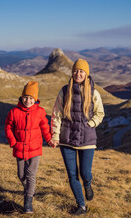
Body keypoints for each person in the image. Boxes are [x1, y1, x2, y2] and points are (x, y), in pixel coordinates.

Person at [51, 59, 105, 215]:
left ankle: (87, 184)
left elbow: (100, 113)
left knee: (85, 173)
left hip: (87, 140)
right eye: (76, 71)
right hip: (66, 139)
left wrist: (91, 124)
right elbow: (56, 114)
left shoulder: (94, 93)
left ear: (86, 74)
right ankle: (81, 206)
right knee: (72, 175)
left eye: (81, 71)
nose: (78, 74)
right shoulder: (64, 91)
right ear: (72, 73)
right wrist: (55, 136)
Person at [5, 81, 56, 214]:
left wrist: (49, 140)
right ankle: (29, 189)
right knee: (21, 175)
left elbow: (45, 128)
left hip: (35, 149)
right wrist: (13, 142)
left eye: (31, 98)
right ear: (21, 97)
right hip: (19, 148)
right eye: (26, 97)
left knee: (31, 175)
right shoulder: (14, 112)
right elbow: (8, 127)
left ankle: (28, 202)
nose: (28, 100)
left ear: (35, 99)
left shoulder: (40, 112)